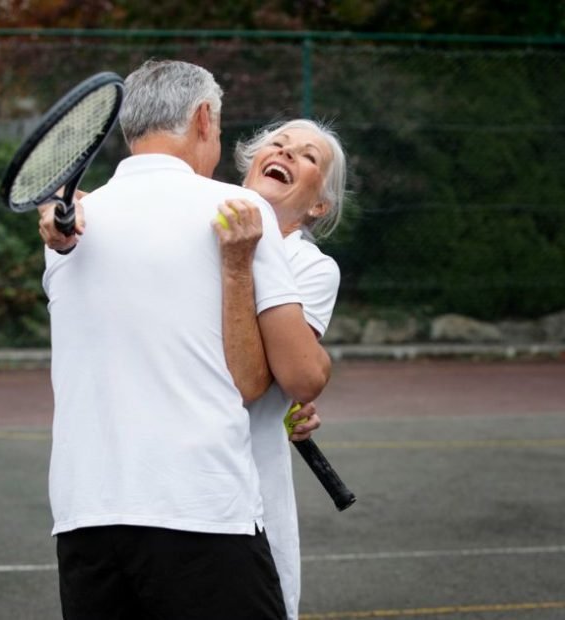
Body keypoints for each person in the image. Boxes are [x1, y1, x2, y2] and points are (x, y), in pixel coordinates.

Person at [40, 59, 330, 620]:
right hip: (199, 508)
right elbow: (277, 379)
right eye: (218, 129)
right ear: (203, 119)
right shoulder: (238, 212)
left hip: (84, 514)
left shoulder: (71, 223)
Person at [214, 119, 348, 620]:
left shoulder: (310, 266)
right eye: (278, 143)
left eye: (308, 156)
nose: (288, 153)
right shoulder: (191, 227)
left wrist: (301, 385)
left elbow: (289, 375)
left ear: (318, 206)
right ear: (249, 164)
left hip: (250, 489)